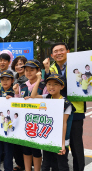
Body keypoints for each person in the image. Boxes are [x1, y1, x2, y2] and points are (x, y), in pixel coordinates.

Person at [43, 42, 85, 171]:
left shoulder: (78, 66)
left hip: (75, 110)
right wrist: (46, 70)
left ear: (68, 51)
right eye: (55, 51)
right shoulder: (51, 68)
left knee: (76, 144)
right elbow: (48, 86)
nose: (58, 53)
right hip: (55, 112)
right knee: (58, 144)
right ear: (51, 55)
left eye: (61, 50)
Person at [31, 72, 75, 171]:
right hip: (48, 137)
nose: (52, 86)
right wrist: (38, 79)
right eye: (49, 84)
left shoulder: (66, 103)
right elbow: (33, 96)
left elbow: (64, 124)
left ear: (62, 86)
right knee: (46, 163)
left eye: (56, 84)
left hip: (61, 140)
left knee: (62, 165)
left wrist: (62, 144)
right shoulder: (46, 97)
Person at [13, 59, 48, 171]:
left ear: (38, 71)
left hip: (37, 121)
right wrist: (15, 94)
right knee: (26, 148)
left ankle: (36, 169)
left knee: (36, 149)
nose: (28, 72)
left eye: (31, 70)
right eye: (26, 70)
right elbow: (17, 102)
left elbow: (47, 102)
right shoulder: (22, 85)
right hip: (24, 122)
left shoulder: (44, 85)